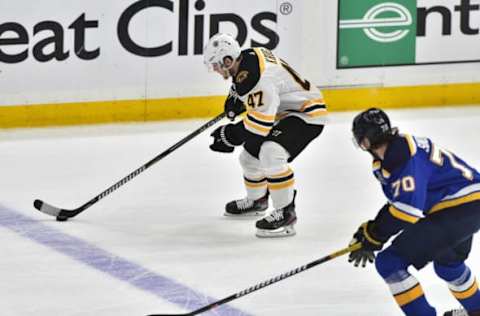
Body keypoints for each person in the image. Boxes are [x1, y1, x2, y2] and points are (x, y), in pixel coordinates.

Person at [348, 107, 480, 316]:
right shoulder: (397, 151)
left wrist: (375, 234)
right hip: (469, 205)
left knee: (389, 262)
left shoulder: (401, 156)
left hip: (455, 209)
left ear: (365, 142)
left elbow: (406, 211)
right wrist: (372, 231)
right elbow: (400, 203)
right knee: (449, 265)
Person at [203, 33, 327, 238]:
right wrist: (236, 96)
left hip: (306, 115)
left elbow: (260, 125)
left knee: (271, 153)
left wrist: (229, 135)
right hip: (282, 111)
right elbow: (250, 87)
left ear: (228, 60)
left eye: (216, 65)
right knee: (249, 158)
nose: (216, 70)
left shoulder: (257, 79)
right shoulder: (248, 56)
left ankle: (285, 213)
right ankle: (257, 201)